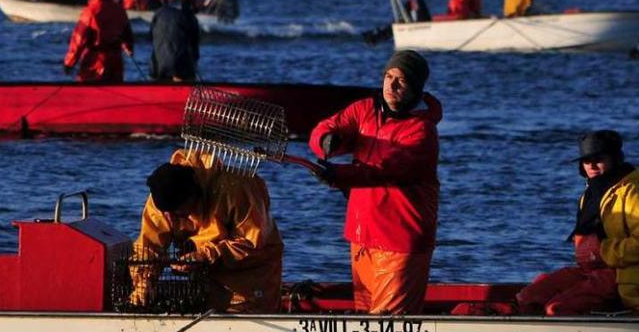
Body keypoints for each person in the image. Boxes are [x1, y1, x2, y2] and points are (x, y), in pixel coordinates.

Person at [308, 50, 442, 315]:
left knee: (387, 327)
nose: (391, 86)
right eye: (388, 76)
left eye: (401, 81)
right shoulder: (364, 110)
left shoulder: (422, 131)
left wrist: (339, 175)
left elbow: (385, 171)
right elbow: (324, 129)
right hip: (361, 238)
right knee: (363, 321)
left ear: (415, 88)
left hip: (399, 244)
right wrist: (326, 142)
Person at [515, 130, 639, 316]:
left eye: (598, 158)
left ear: (614, 159)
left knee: (557, 308)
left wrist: (604, 251)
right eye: (585, 160)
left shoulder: (636, 193)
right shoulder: (590, 194)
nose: (591, 165)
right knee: (528, 298)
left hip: (625, 276)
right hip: (591, 272)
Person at [130, 149, 284, 313]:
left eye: (179, 213)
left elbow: (253, 243)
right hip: (205, 281)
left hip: (252, 277)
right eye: (168, 213)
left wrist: (204, 256)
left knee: (247, 321)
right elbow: (148, 247)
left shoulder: (237, 189)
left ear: (193, 196)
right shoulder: (161, 202)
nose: (172, 219)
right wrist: (143, 281)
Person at [63, 0, 134, 82]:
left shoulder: (91, 11)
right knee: (115, 95)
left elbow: (79, 38)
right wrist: (129, 49)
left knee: (89, 95)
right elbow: (127, 35)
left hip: (95, 61)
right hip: (116, 61)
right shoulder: (120, 10)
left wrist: (69, 62)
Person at [150, 0, 200, 82]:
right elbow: (194, 41)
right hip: (180, 65)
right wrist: (194, 63)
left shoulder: (158, 13)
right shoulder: (188, 15)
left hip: (157, 64)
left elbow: (151, 36)